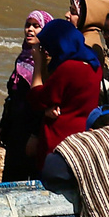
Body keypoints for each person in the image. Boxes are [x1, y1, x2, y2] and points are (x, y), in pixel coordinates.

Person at [28, 18, 104, 161]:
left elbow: (36, 99)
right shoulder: (94, 65)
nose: (48, 52)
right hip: (84, 138)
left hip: (60, 141)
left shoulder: (68, 68)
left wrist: (38, 66)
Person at [0, 10, 51, 182]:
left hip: (31, 131)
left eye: (36, 26)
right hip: (16, 129)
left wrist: (35, 135)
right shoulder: (22, 57)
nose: (30, 30)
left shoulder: (47, 63)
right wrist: (3, 126)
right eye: (27, 25)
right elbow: (12, 96)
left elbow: (42, 102)